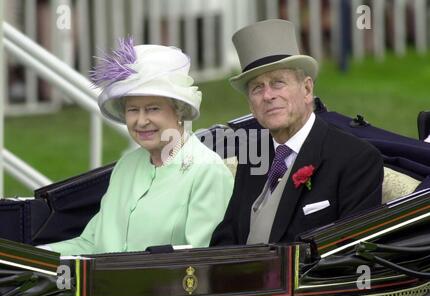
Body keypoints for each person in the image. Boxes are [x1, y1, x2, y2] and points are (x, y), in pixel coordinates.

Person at [42, 39, 234, 255]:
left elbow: (202, 262)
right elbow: (91, 244)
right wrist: (31, 256)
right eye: (133, 110)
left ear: (179, 111)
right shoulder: (126, 166)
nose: (141, 121)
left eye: (152, 109)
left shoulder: (207, 171)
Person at [210, 19, 384, 246]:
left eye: (278, 82)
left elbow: (351, 255)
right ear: (251, 105)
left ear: (307, 89)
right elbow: (228, 238)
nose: (268, 95)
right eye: (257, 88)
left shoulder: (356, 159)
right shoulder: (254, 154)